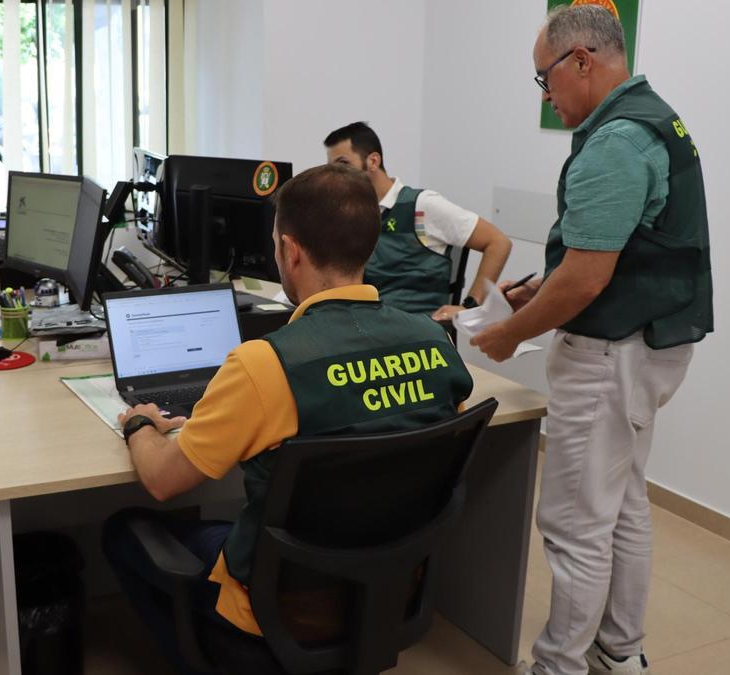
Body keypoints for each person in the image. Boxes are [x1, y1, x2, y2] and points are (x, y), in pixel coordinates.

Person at [100, 164, 474, 673]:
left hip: (279, 611)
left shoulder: (264, 364)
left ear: (290, 251)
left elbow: (164, 481)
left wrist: (140, 424)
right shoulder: (436, 343)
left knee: (124, 530)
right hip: (388, 590)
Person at [470, 6, 712, 675]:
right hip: (653, 346)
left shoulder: (615, 142)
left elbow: (584, 280)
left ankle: (560, 665)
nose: (545, 93)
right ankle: (618, 648)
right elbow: (617, 249)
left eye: (544, 78)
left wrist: (507, 333)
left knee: (576, 525)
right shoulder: (657, 119)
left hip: (610, 354)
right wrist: (535, 288)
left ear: (582, 60)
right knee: (624, 503)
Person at [324, 121, 512, 321]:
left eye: (343, 164)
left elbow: (498, 242)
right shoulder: (356, 213)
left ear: (373, 161)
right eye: (332, 168)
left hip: (414, 333)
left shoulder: (421, 206)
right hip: (370, 325)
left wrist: (470, 307)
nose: (337, 176)